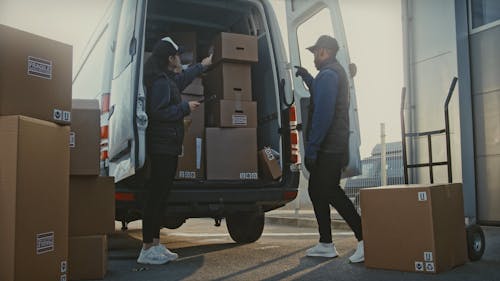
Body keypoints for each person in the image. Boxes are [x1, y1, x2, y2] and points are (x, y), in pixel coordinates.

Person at [137, 37, 212, 265]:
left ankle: (156, 246)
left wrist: (203, 65)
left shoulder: (167, 80)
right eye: (177, 55)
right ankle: (146, 249)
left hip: (168, 145)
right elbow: (158, 113)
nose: (180, 59)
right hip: (162, 147)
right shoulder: (160, 83)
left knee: (161, 196)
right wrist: (184, 107)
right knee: (156, 197)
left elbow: (183, 79)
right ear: (170, 59)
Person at [295, 35, 364, 263]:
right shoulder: (332, 73)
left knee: (331, 191)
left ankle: (365, 238)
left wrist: (312, 148)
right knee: (318, 190)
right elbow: (324, 96)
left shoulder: (328, 74)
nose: (314, 57)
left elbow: (323, 115)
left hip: (328, 146)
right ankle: (326, 243)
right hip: (335, 144)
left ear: (324, 51)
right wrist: (308, 78)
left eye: (315, 52)